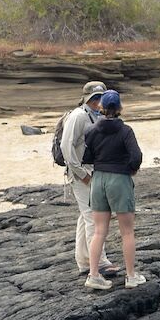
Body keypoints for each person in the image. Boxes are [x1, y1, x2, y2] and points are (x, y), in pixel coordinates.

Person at [82, 90, 145, 290]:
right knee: (127, 232)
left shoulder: (92, 131)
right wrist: (130, 169)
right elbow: (136, 156)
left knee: (99, 231)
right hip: (119, 180)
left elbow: (86, 158)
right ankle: (131, 276)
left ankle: (93, 275)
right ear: (119, 108)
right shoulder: (126, 131)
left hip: (98, 180)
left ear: (101, 108)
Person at [61, 81, 118, 279]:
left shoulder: (97, 116)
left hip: (94, 172)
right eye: (94, 98)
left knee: (85, 217)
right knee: (95, 216)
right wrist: (82, 174)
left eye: (100, 97)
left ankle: (84, 261)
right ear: (86, 99)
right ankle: (100, 262)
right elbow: (66, 147)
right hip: (82, 174)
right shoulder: (78, 116)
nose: (97, 101)